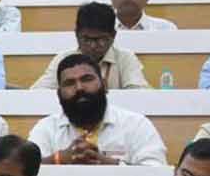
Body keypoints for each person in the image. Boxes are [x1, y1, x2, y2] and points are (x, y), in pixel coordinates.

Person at [31, 53, 165, 166]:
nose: (79, 88)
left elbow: (156, 173)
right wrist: (59, 158)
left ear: (104, 85)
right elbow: (26, 172)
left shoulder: (136, 125)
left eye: (87, 79)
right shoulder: (46, 128)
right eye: (69, 83)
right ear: (59, 94)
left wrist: (105, 162)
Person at [31, 2, 148, 91]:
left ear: (113, 36)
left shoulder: (125, 58)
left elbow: (139, 94)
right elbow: (39, 93)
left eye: (100, 39)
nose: (93, 46)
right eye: (86, 39)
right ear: (76, 35)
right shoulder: (63, 58)